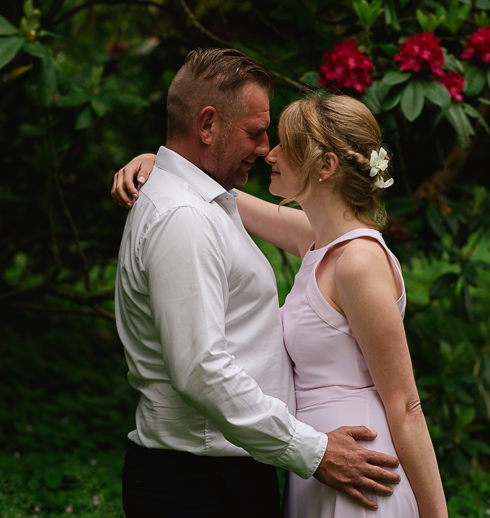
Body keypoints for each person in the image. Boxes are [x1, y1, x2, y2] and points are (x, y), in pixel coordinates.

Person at [115, 89, 449, 517]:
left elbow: (406, 405)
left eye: (285, 146)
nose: (269, 154)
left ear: (325, 167)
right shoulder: (319, 241)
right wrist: (161, 166)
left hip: (361, 462)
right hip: (317, 460)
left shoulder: (359, 262)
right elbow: (220, 200)